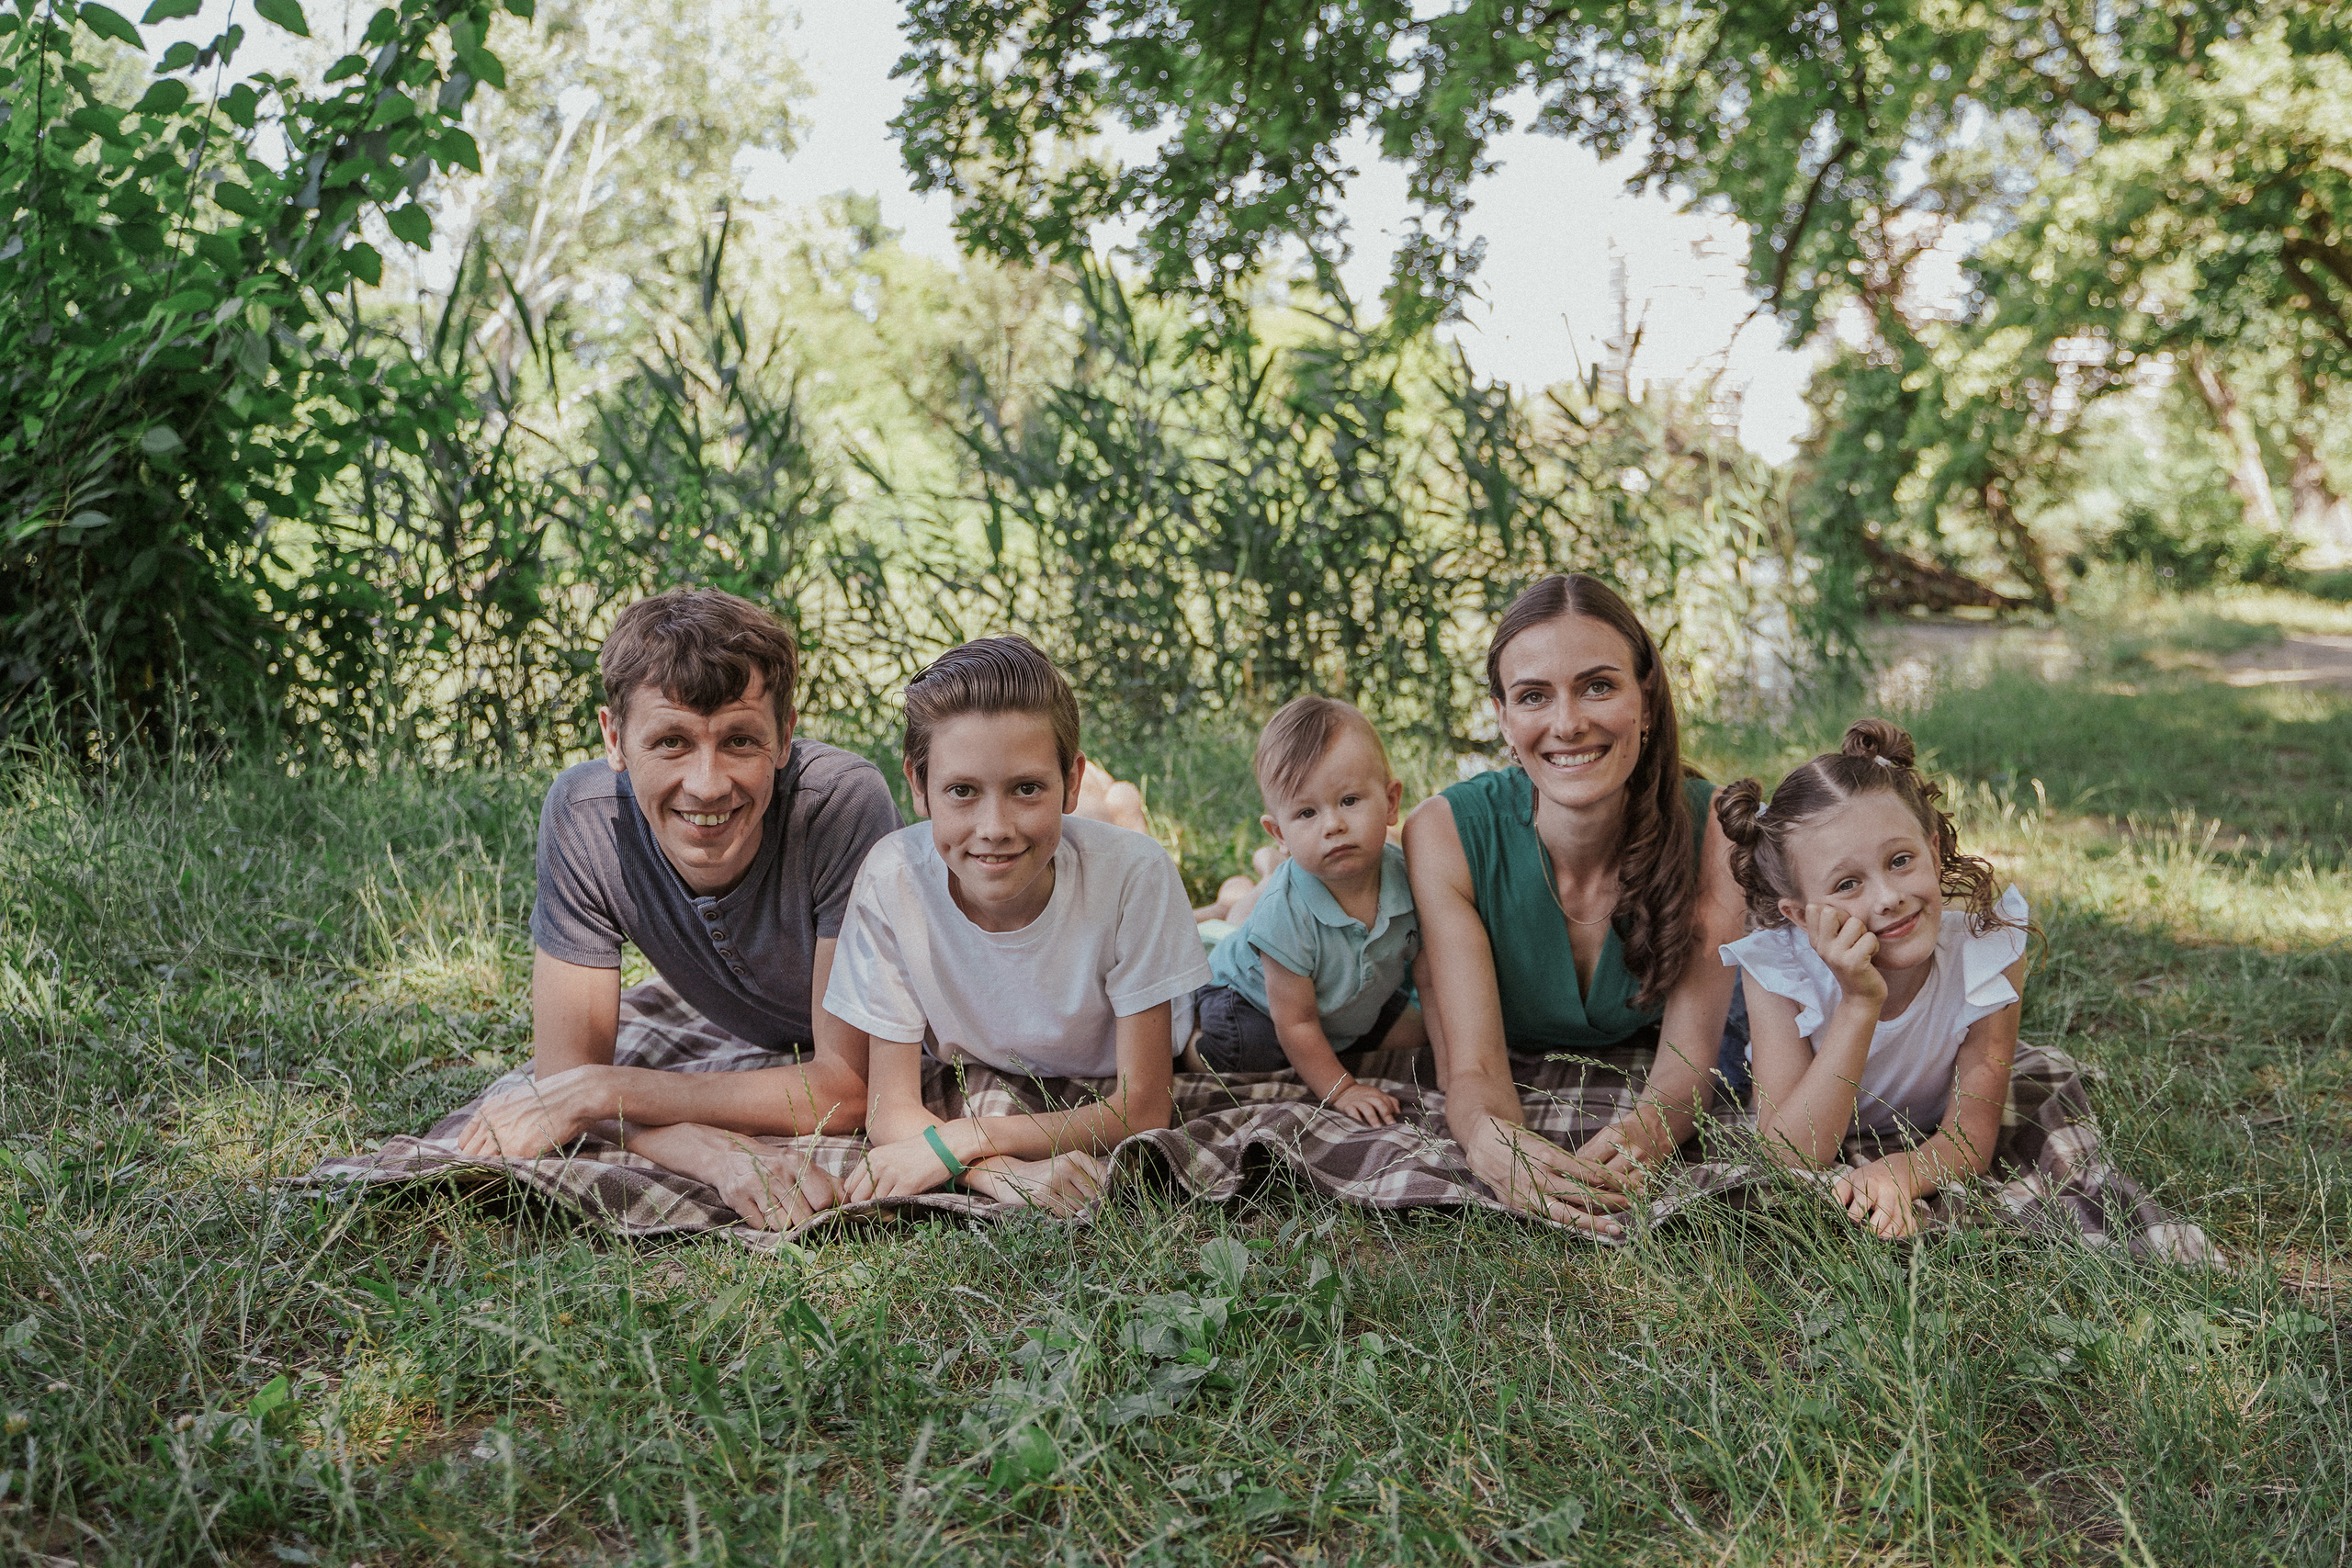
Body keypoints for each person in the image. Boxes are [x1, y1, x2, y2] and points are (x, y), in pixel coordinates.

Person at [455, 590, 902, 1230]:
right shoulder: (586, 818)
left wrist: (604, 1089)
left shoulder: (840, 803)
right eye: (671, 741)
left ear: (784, 738)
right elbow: (564, 1083)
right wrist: (705, 1148)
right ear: (614, 737)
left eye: (740, 740)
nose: (707, 783)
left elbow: (846, 1086)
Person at [1404, 574, 1747, 1236]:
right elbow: (1472, 1066)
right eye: (1534, 696)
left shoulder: (1714, 830)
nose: (1568, 723)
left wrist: (1633, 1144)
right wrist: (1491, 1140)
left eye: (1598, 685)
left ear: (1645, 701)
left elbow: (1686, 1068)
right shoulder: (1443, 832)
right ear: (1503, 717)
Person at [823, 637, 1213, 1211]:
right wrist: (1003, 1174)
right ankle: (1124, 814)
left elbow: (1143, 1109)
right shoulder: (892, 878)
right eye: (961, 791)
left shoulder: (1137, 876)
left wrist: (965, 1138)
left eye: (1026, 788)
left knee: (1232, 957)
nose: (994, 826)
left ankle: (1169, 849)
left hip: (1179, 998)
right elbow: (890, 1109)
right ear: (918, 785)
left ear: (1070, 782)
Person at [1713, 719, 2030, 1238]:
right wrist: (1860, 1002)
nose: (1887, 897)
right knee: (1719, 1062)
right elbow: (1789, 1154)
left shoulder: (1987, 954)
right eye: (1847, 883)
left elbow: (1971, 1135)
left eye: (1900, 860)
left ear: (1933, 849)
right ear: (1799, 914)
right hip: (1752, 1038)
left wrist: (1899, 1172)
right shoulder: (1777, 970)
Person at [1189, 696, 1426, 1125]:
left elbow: (1432, 974)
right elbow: (1296, 1022)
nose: (1332, 824)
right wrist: (1343, 1088)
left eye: (1350, 800)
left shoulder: (1413, 877)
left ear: (1391, 802)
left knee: (1417, 1032)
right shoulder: (1287, 911)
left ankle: (1232, 902)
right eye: (1306, 812)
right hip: (1251, 1002)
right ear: (1279, 833)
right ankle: (1187, 1039)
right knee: (1251, 1059)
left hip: (1349, 1000)